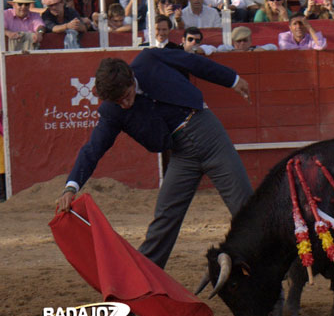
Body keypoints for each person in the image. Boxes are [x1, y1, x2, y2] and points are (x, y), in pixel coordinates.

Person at [55, 50, 254, 273]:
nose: (124, 104)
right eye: (117, 102)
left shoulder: (149, 60)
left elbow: (193, 62)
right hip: (181, 154)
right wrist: (71, 187)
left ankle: (277, 280)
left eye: (126, 96)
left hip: (207, 132)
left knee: (245, 210)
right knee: (164, 221)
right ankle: (140, 288)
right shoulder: (113, 110)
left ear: (131, 79)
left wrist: (232, 79)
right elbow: (93, 149)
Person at [213, 26, 278, 52]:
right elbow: (220, 48)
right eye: (239, 41)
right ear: (234, 42)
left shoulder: (255, 48)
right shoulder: (228, 48)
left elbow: (273, 47)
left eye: (245, 40)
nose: (242, 43)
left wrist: (252, 51)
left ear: (250, 41)